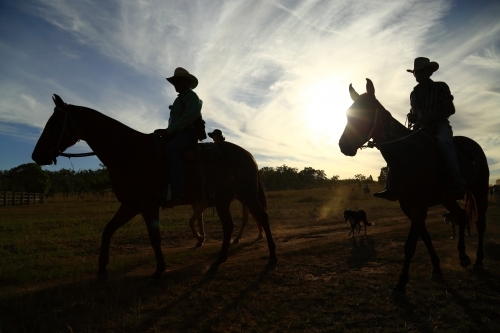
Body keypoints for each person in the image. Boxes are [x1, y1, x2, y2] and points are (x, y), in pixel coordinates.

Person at [374, 57, 466, 201]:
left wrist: (430, 118)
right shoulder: (414, 93)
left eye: (421, 71)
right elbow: (415, 113)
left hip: (439, 125)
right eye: (416, 72)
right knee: (397, 145)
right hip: (419, 128)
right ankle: (390, 186)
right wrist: (413, 117)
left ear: (429, 72)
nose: (418, 75)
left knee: (444, 142)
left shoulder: (441, 87)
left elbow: (450, 109)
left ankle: (457, 181)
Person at [154, 67, 203, 202]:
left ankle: (178, 190)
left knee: (172, 149)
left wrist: (169, 131)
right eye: (175, 82)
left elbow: (188, 118)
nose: (176, 84)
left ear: (186, 82)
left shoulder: (192, 97)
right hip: (177, 132)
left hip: (189, 132)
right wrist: (166, 132)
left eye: (179, 81)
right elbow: (175, 121)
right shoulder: (178, 100)